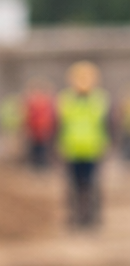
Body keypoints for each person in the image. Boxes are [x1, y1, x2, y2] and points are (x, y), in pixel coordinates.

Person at [57, 61, 110, 229]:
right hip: (72, 150)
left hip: (92, 150)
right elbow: (60, 125)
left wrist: (105, 145)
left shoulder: (99, 99)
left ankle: (92, 217)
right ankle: (75, 216)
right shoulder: (66, 99)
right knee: (74, 186)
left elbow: (107, 125)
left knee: (91, 185)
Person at [23, 82, 57, 171]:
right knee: (35, 148)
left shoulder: (47, 102)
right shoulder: (31, 103)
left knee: (44, 148)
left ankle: (42, 164)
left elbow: (52, 117)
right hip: (35, 130)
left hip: (44, 130)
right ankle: (36, 164)